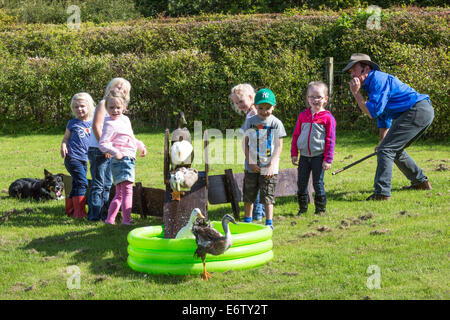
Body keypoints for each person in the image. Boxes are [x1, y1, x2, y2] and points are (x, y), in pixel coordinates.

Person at [343, 53, 434, 200]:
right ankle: (420, 183)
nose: (351, 74)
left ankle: (382, 193)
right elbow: (383, 116)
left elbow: (372, 112)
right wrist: (382, 140)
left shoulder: (378, 80)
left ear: (365, 68)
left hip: (417, 110)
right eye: (350, 72)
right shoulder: (372, 83)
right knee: (391, 148)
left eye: (353, 70)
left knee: (387, 150)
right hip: (419, 111)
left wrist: (356, 94)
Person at [241, 88, 286, 229]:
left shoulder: (276, 123)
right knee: (249, 195)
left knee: (268, 195)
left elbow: (279, 146)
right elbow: (244, 143)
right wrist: (251, 161)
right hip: (251, 166)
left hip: (269, 167)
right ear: (255, 106)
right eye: (260, 108)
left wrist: (272, 165)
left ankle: (269, 223)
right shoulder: (250, 122)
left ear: (274, 107)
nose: (264, 111)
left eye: (268, 108)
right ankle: (247, 221)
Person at [99, 91, 147, 225]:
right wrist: (116, 152)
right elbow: (103, 144)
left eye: (118, 107)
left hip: (127, 159)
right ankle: (127, 220)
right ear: (106, 108)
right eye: (111, 107)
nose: (115, 110)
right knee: (127, 192)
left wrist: (140, 146)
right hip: (122, 160)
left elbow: (130, 136)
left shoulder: (125, 120)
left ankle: (110, 219)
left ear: (124, 108)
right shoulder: (109, 123)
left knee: (120, 193)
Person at [87, 78, 131, 222]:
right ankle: (94, 216)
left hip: (110, 150)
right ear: (111, 87)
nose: (120, 90)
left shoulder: (118, 108)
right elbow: (97, 126)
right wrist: (105, 147)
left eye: (124, 90)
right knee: (98, 184)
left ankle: (105, 214)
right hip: (98, 148)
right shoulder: (103, 104)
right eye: (118, 87)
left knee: (107, 184)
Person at [291, 81, 336, 215]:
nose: (315, 100)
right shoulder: (302, 116)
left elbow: (330, 140)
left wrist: (328, 159)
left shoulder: (328, 118)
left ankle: (320, 210)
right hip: (304, 156)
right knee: (302, 183)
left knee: (318, 183)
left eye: (319, 97)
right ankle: (303, 209)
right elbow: (296, 135)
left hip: (319, 156)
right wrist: (294, 153)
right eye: (312, 97)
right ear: (307, 98)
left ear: (325, 99)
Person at [230, 83, 265, 221]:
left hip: (256, 154)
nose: (239, 105)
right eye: (236, 103)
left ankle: (257, 213)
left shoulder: (255, 114)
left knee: (255, 183)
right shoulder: (251, 114)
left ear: (251, 97)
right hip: (251, 152)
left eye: (241, 101)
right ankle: (259, 212)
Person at [61, 92, 95, 218]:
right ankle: (80, 213)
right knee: (82, 182)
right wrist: (63, 146)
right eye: (76, 107)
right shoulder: (72, 123)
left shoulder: (93, 123)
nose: (79, 109)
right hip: (72, 158)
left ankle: (70, 210)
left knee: (76, 183)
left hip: (84, 159)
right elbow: (65, 139)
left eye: (82, 106)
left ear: (89, 107)